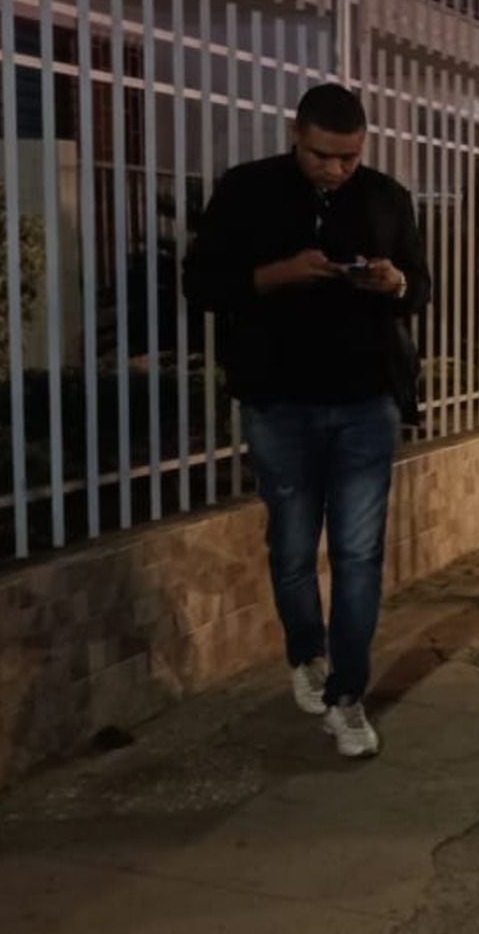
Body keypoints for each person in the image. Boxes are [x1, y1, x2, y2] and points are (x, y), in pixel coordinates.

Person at [183, 83, 430, 759]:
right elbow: (200, 282)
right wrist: (278, 274)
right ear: (297, 135)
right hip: (278, 397)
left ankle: (347, 694)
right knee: (292, 548)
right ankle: (306, 652)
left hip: (364, 400)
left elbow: (422, 282)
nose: (337, 169)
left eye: (350, 156)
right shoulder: (247, 190)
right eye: (324, 155)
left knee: (358, 554)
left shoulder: (385, 197)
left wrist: (395, 282)